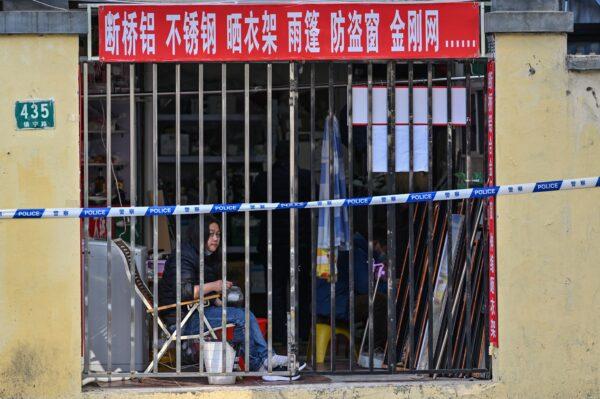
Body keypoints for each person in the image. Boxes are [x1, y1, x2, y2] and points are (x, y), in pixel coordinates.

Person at [159, 215, 305, 380]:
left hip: (194, 311)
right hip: (181, 319)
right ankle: (263, 361)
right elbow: (185, 292)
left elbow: (201, 288)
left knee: (242, 314)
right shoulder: (184, 256)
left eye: (218, 234)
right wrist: (216, 285)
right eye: (211, 234)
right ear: (200, 234)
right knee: (241, 317)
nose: (215, 238)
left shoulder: (202, 255)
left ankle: (261, 362)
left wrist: (217, 300)